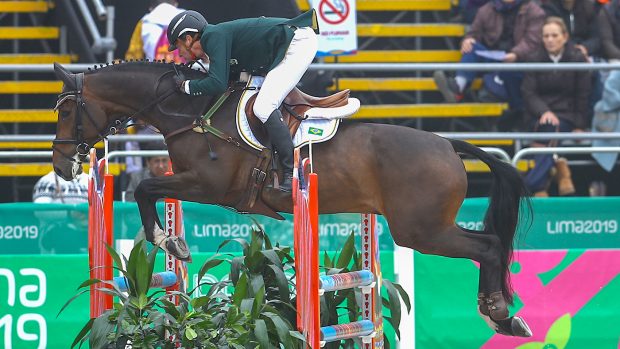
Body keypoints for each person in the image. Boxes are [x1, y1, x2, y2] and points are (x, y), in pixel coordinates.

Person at [166, 9, 319, 192]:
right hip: (288, 44)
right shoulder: (214, 39)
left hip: (297, 43)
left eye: (178, 46)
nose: (180, 54)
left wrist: (186, 87)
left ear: (188, 39)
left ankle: (291, 172)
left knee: (263, 106)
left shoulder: (212, 37)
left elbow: (217, 84)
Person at [521, 16, 591, 196]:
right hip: (539, 115)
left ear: (565, 37)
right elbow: (529, 93)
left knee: (552, 128)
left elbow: (583, 95)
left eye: (554, 35)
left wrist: (579, 125)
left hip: (567, 115)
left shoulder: (577, 58)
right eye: (546, 36)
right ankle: (555, 168)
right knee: (549, 126)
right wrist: (544, 111)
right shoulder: (534, 58)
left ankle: (532, 184)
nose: (550, 40)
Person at [433, 0, 545, 113]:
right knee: (472, 46)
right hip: (493, 58)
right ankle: (458, 87)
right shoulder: (486, 9)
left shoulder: (534, 11)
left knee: (510, 73)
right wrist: (468, 40)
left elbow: (532, 42)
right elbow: (473, 33)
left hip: (520, 62)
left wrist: (516, 54)